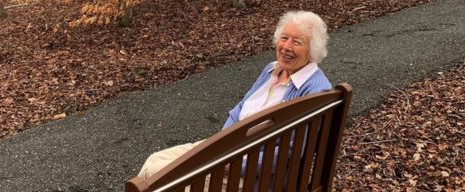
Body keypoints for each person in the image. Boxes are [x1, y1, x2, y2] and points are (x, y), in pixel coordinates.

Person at [139, 10, 332, 180]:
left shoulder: (314, 91)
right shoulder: (272, 70)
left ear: (313, 50)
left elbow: (288, 152)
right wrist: (222, 145)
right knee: (154, 160)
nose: (286, 47)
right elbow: (241, 108)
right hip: (228, 151)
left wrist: (234, 164)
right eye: (284, 38)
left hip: (251, 176)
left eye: (296, 42)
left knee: (155, 173)